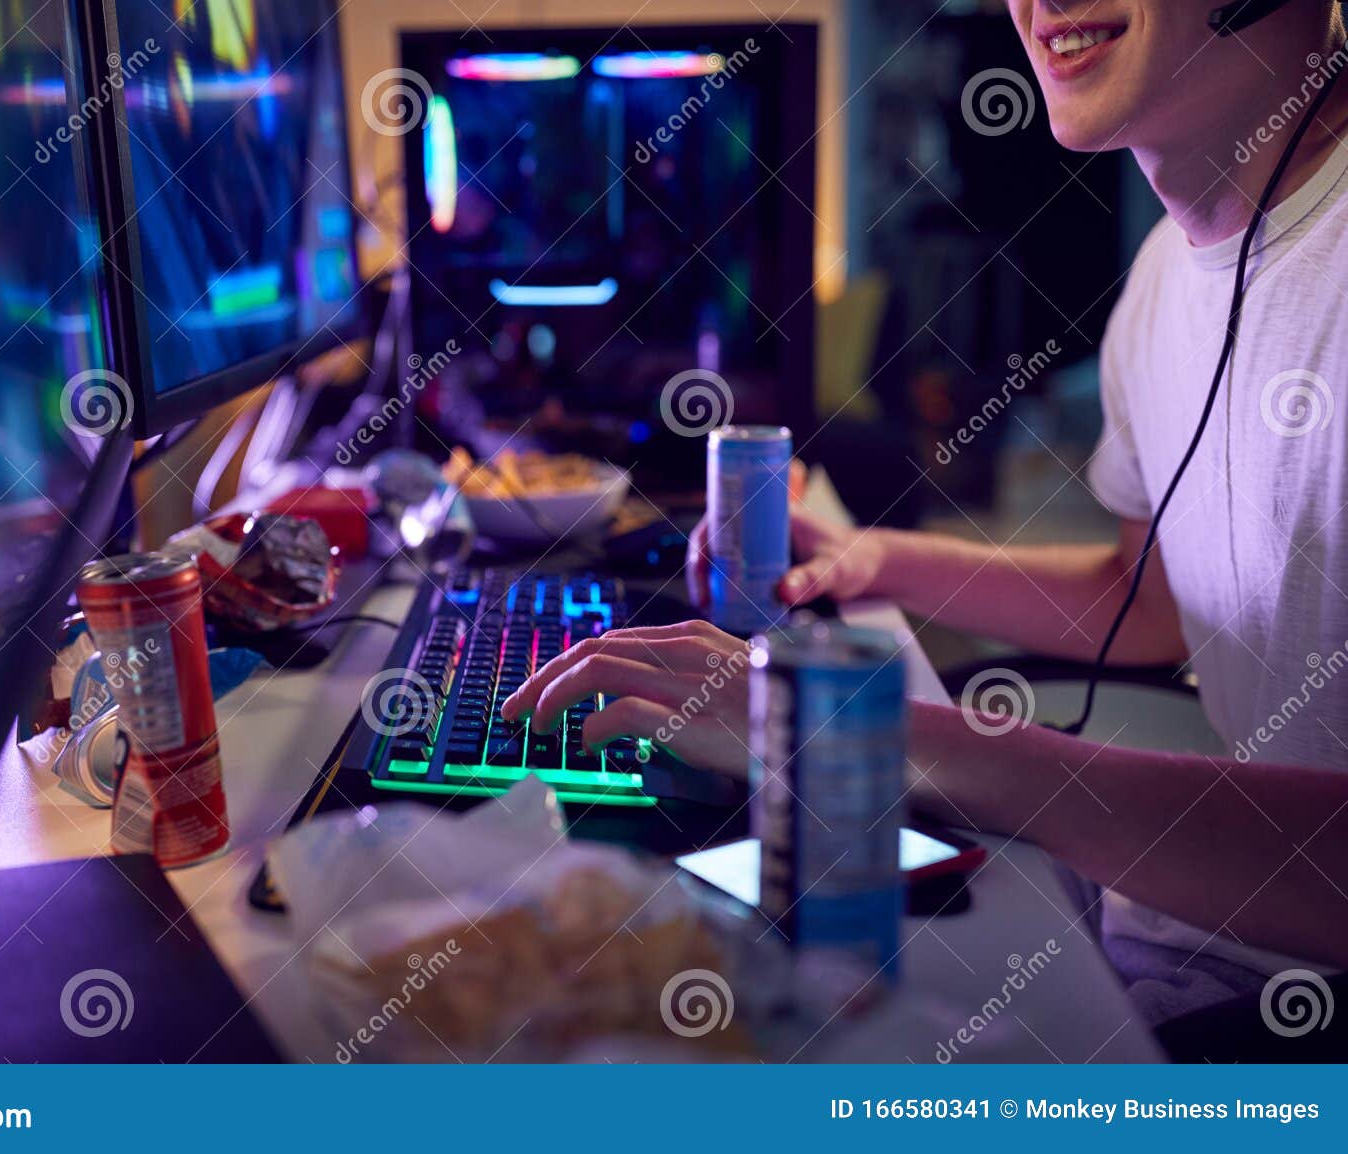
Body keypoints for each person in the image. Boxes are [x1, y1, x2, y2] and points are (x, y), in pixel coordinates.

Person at [502, 0, 1348, 1021]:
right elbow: (1150, 593)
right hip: (1185, 925)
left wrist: (871, 739)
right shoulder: (1166, 271)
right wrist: (871, 559)